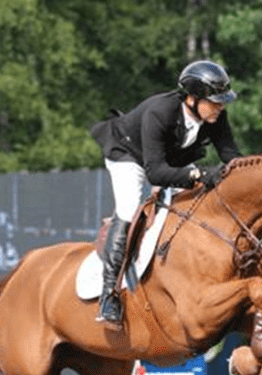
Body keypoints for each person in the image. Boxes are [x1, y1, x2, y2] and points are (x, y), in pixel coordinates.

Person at [89, 60, 242, 328]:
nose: (221, 107)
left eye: (222, 102)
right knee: (128, 209)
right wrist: (199, 175)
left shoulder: (214, 116)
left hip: (168, 159)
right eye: (215, 101)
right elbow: (156, 173)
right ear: (193, 99)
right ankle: (109, 295)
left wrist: (249, 174)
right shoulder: (160, 112)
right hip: (129, 155)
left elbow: (230, 156)